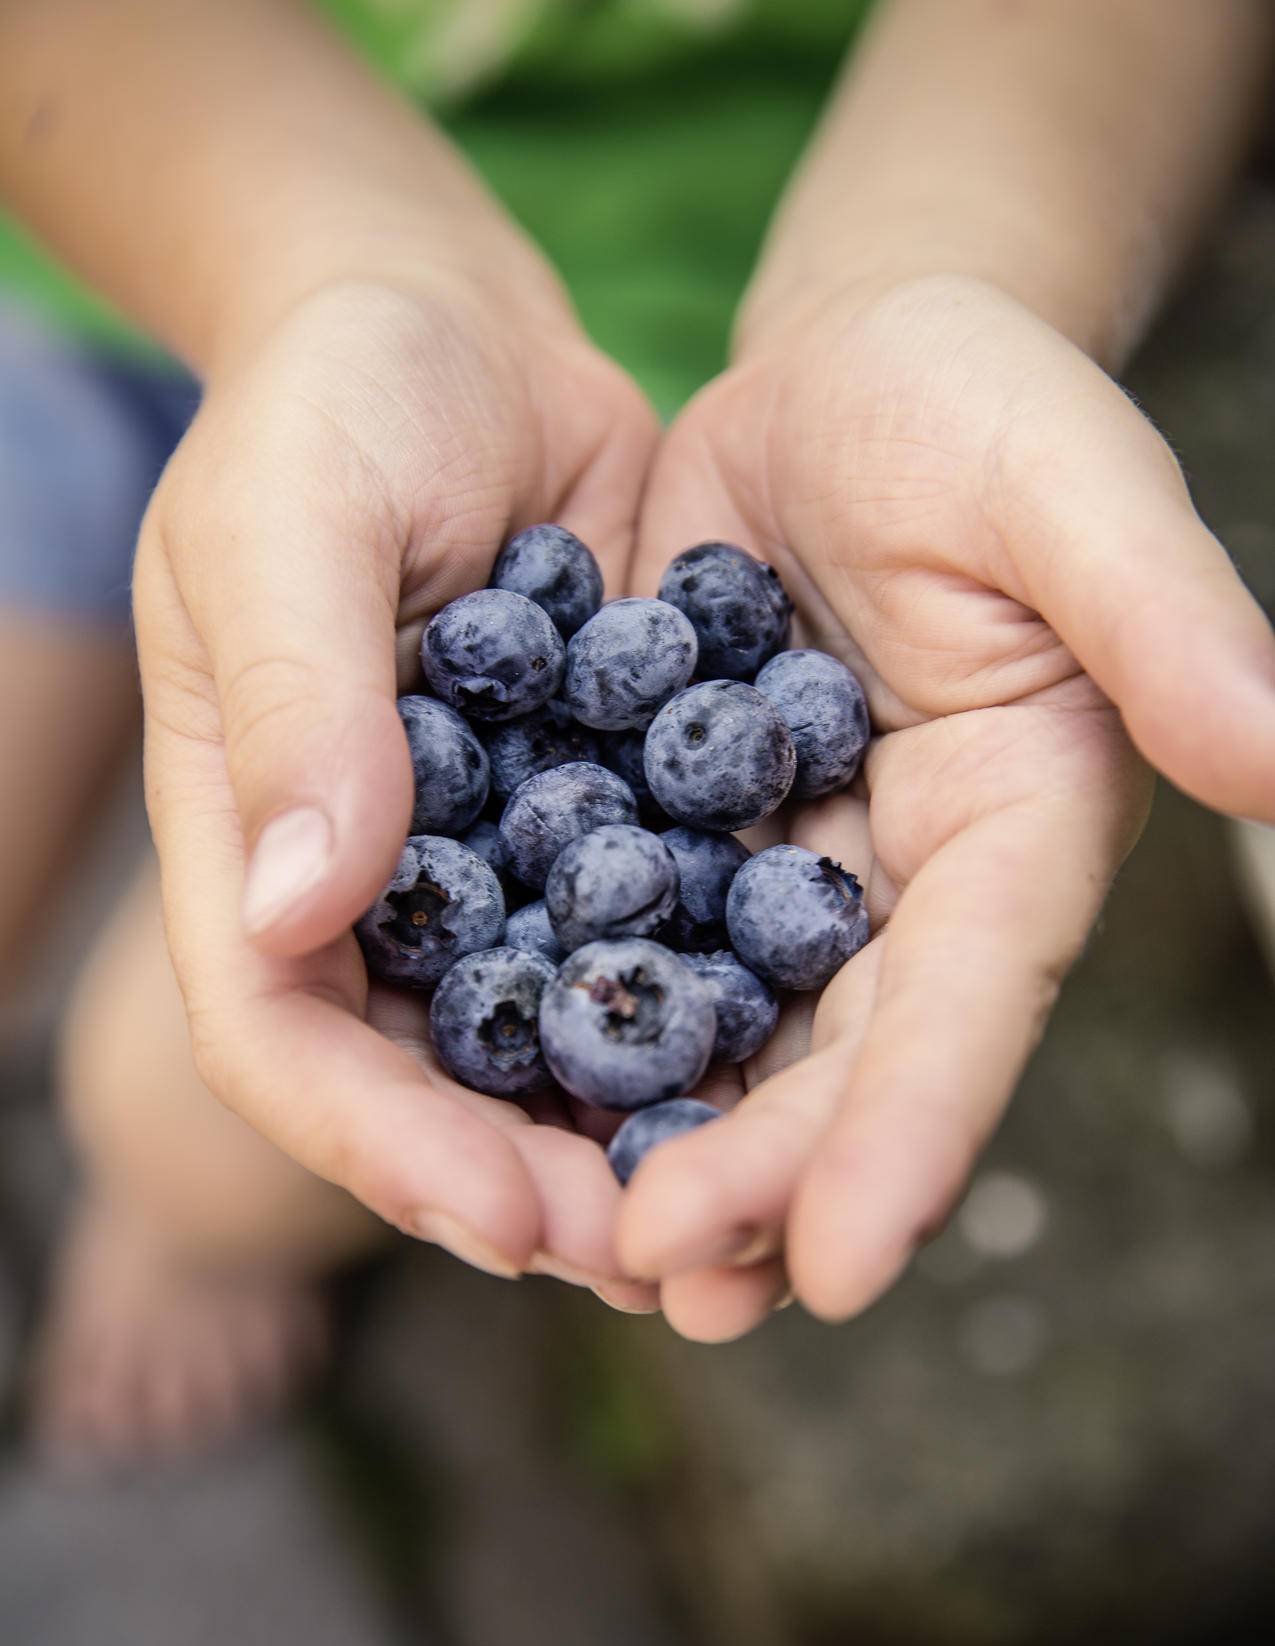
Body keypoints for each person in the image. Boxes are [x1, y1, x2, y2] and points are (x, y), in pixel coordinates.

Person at [0, 0, 1271, 1456]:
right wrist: (330, 277)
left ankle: (188, 1230)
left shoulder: (663, 753)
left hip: (702, 361)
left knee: (190, 1117)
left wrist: (946, 271)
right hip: (125, 232)